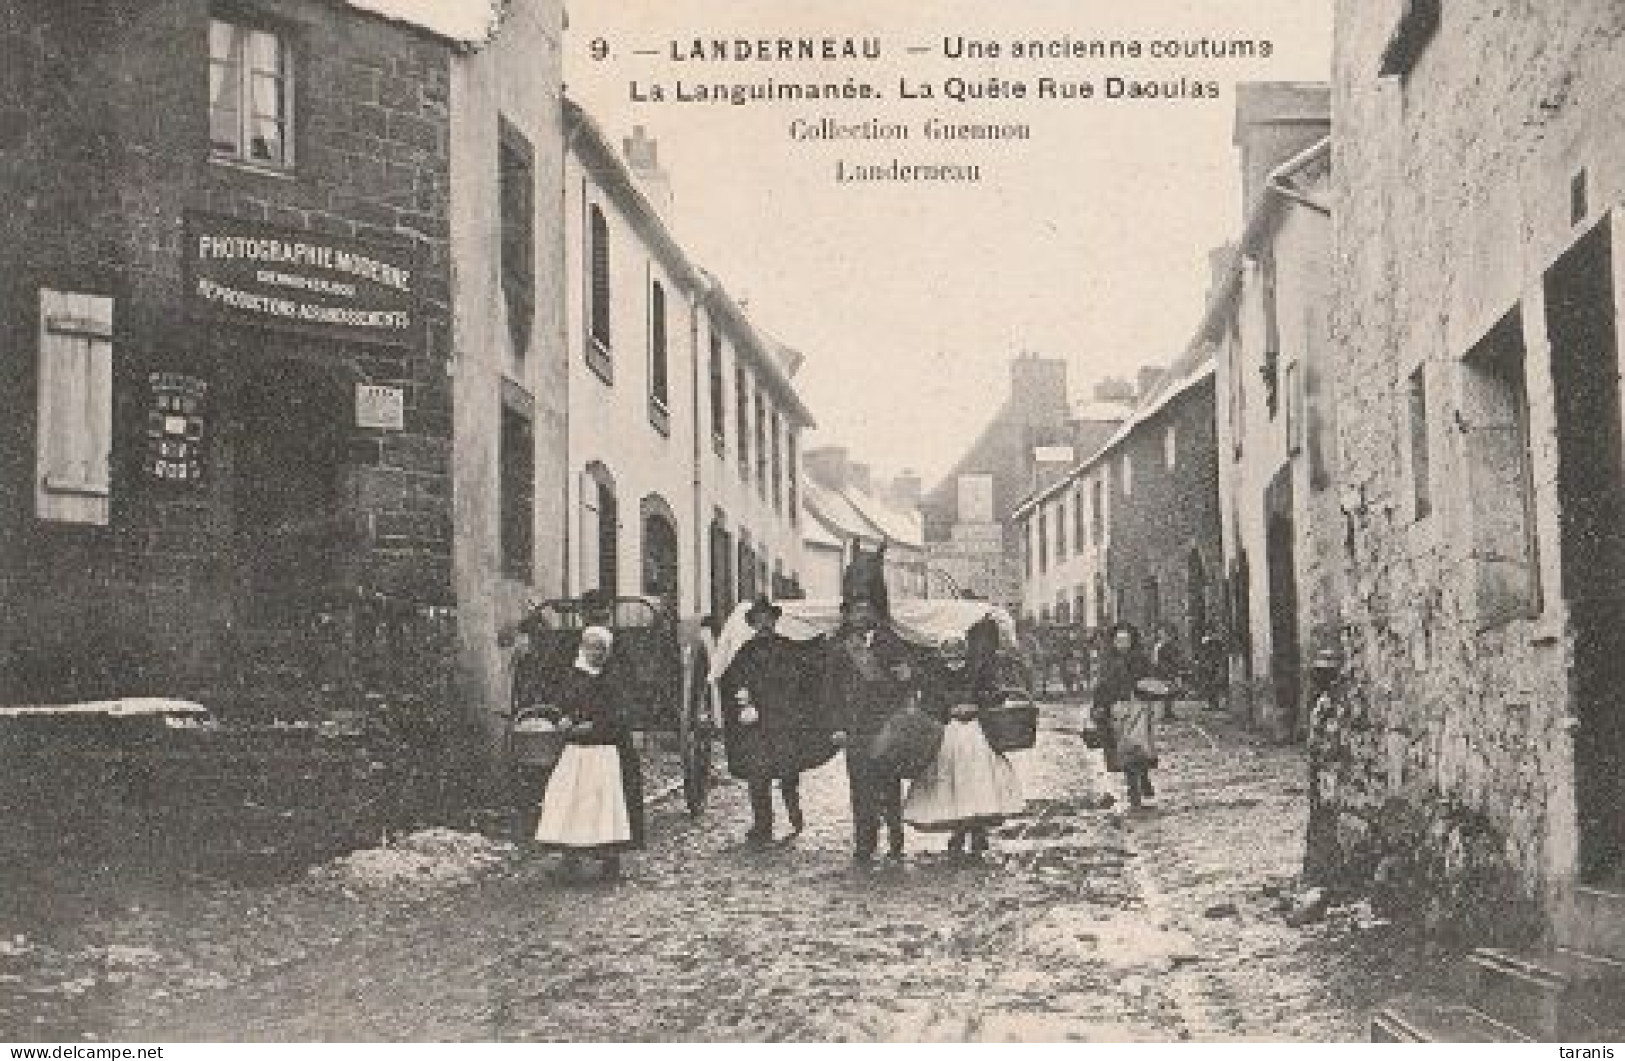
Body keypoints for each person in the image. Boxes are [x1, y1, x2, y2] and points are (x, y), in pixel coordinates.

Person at [721, 597, 835, 845]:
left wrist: (825, 641)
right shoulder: (746, 652)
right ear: (753, 624)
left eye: (768, 619)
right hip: (758, 724)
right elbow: (732, 679)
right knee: (758, 774)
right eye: (759, 620)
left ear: (774, 621)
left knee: (788, 773)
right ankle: (763, 826)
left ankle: (795, 816)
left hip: (786, 722)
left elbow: (810, 666)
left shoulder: (788, 648)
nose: (764, 624)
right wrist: (743, 699)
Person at [903, 623, 1024, 858]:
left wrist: (978, 706)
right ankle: (958, 830)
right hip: (948, 732)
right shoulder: (934, 674)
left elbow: (992, 695)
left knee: (977, 780)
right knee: (952, 782)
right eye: (948, 649)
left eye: (958, 648)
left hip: (975, 731)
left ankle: (978, 830)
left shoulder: (977, 671)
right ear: (941, 651)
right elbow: (928, 704)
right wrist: (948, 710)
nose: (954, 654)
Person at [534, 626, 644, 879]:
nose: (596, 653)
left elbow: (622, 710)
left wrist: (596, 725)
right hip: (577, 750)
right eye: (592, 647)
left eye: (602, 649)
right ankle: (570, 855)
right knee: (572, 801)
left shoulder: (614, 677)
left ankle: (610, 856)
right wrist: (564, 718)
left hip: (607, 749)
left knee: (606, 803)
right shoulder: (572, 675)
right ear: (583, 648)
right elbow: (563, 703)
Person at [824, 596, 915, 864]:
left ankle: (895, 840)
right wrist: (837, 726)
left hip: (886, 724)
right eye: (856, 611)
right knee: (860, 785)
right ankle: (865, 842)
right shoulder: (841, 649)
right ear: (849, 617)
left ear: (875, 615)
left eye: (867, 610)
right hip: (854, 727)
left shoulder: (892, 644)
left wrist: (906, 683)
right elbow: (831, 691)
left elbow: (909, 679)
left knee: (890, 783)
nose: (861, 616)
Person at [1092, 621, 1155, 808]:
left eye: (1126, 640)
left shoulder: (1141, 660)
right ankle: (1133, 789)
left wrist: (1146, 690)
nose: (1122, 644)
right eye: (1118, 640)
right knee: (1125, 749)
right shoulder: (1108, 662)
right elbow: (1101, 686)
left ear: (1132, 640)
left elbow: (1150, 680)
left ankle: (1143, 777)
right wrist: (1099, 706)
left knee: (1140, 746)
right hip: (1116, 708)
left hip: (1138, 707)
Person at [1151, 625, 1184, 721]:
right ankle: (1165, 713)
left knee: (1171, 692)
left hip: (1169, 670)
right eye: (1161, 633)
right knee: (1165, 692)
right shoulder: (1159, 646)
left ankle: (1168, 712)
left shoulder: (1170, 645)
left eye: (1164, 633)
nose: (1162, 635)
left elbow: (1174, 659)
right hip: (1163, 671)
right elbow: (1156, 660)